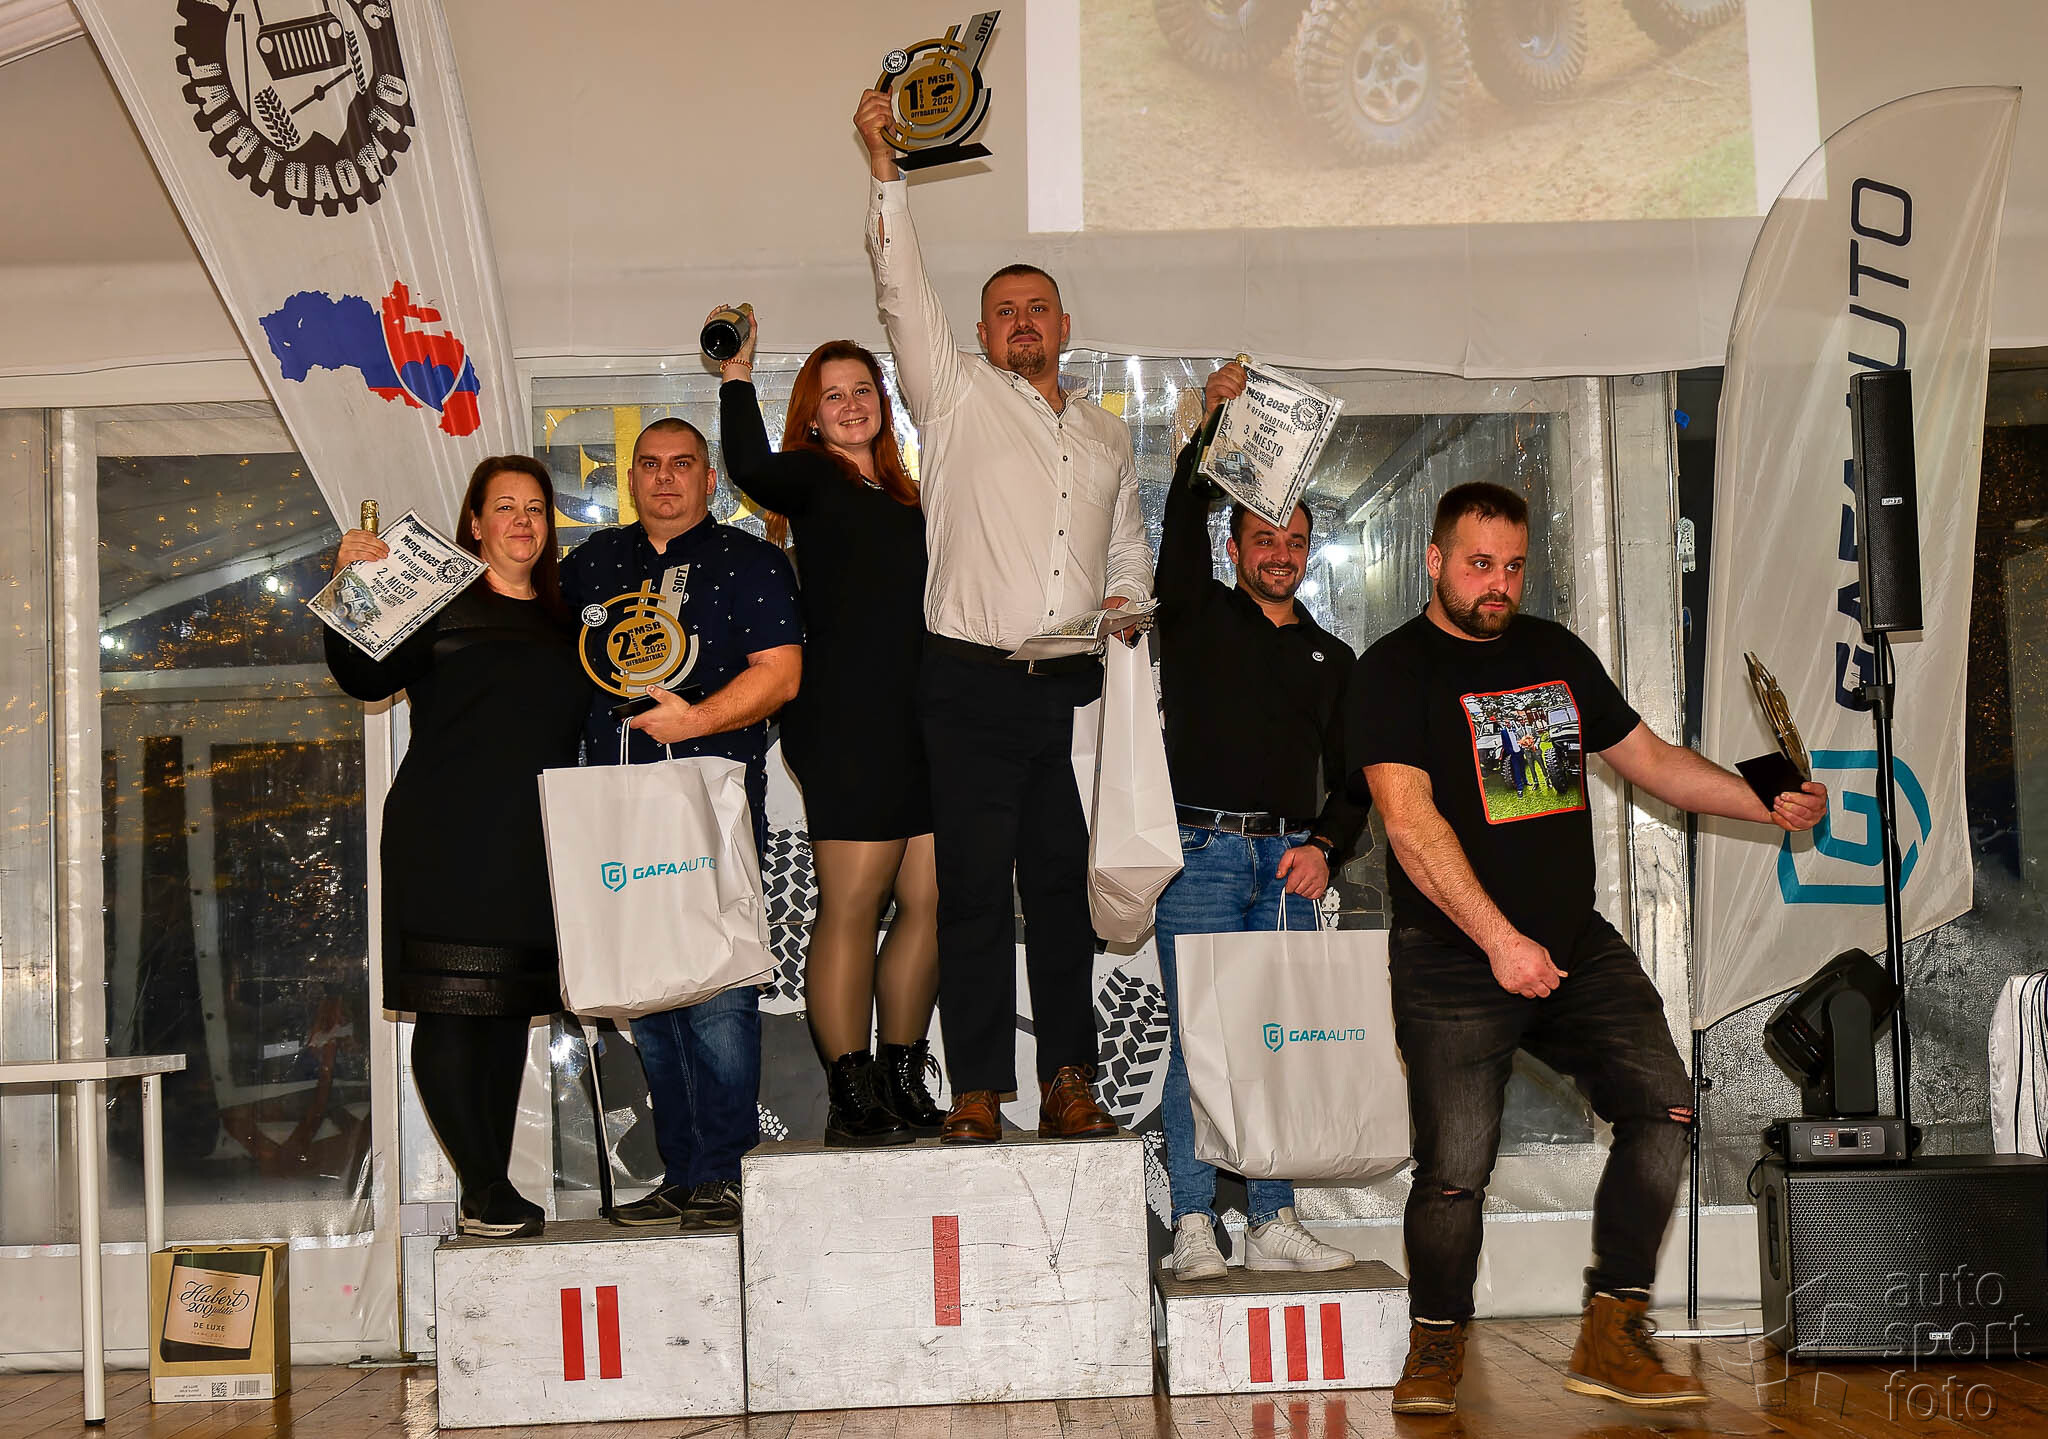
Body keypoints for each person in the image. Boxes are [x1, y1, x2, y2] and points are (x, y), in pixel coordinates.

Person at [1349, 481, 1828, 1414]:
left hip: (1572, 943)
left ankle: (1614, 1325)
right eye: (1478, 564)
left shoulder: (1554, 652)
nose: (1498, 583)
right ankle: (1436, 1338)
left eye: (1513, 565)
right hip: (1454, 955)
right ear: (1435, 561)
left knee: (1665, 1102)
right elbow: (1409, 825)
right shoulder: (1391, 671)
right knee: (1455, 1169)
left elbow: (1652, 761)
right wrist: (1499, 940)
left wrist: (1763, 802)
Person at [855, 88, 1154, 1143]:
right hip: (968, 685)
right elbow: (900, 290)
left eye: (1038, 308)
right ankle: (977, 1087)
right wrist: (885, 175)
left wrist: (1127, 602)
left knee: (1061, 892)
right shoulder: (952, 396)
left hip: (1068, 692)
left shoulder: (1107, 435)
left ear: (1064, 326)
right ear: (980, 332)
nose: (1022, 321)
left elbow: (1126, 548)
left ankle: (1070, 1079)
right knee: (974, 893)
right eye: (1003, 311)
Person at [325, 456, 589, 1239]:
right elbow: (359, 675)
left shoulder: (568, 621)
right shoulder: (435, 603)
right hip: (443, 832)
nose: (521, 520)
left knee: (506, 1010)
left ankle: (488, 1192)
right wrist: (351, 583)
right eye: (504, 506)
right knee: (449, 1007)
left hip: (534, 839)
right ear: (474, 523)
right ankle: (484, 1185)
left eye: (535, 507)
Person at [1153, 361, 1368, 1280]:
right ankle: (1194, 1222)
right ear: (1236, 546)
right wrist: (1213, 425)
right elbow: (1179, 520)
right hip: (1198, 852)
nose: (1280, 553)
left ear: (1309, 552)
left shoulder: (1333, 656)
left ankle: (1272, 1218)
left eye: (1295, 541)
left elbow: (1358, 780)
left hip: (1287, 863)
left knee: (1276, 1038)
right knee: (1201, 1042)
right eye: (1264, 537)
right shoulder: (1196, 614)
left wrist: (1326, 847)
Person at [562, 418, 802, 1230]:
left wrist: (693, 720)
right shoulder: (592, 565)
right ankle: (682, 1171)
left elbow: (782, 675)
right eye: (650, 465)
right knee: (651, 999)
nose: (665, 478)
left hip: (711, 808)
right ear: (631, 478)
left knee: (719, 994)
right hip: (615, 814)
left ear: (710, 479)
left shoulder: (752, 561)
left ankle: (726, 1173)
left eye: (683, 464)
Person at [712, 310, 941, 1147]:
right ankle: (851, 1092)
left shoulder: (912, 495)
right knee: (852, 903)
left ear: (884, 402)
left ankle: (902, 1077)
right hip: (847, 719)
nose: (851, 404)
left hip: (924, 720)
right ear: (810, 415)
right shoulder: (813, 478)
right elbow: (748, 465)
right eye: (832, 394)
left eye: (862, 389)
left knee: (931, 900)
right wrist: (737, 376)